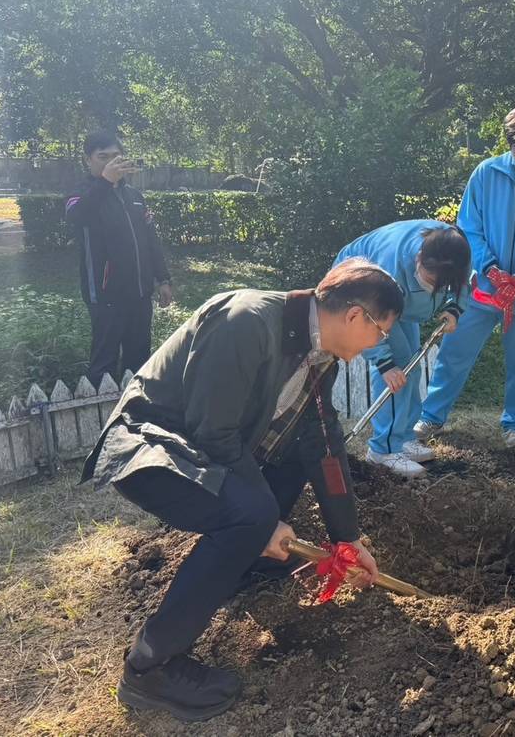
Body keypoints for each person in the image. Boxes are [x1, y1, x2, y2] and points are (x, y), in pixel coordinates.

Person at [80, 259, 403, 721]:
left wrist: (346, 538)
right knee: (250, 515)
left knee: (292, 458)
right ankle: (150, 666)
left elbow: (322, 441)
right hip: (151, 447)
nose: (378, 344)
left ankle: (247, 559)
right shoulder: (246, 322)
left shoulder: (318, 355)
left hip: (203, 449)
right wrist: (266, 522)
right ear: (356, 316)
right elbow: (212, 432)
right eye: (381, 332)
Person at [414, 104, 515, 449]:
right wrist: (488, 267)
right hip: (483, 287)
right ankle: (431, 416)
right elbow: (470, 227)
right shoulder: (486, 173)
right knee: (455, 350)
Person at [333, 220, 471, 478]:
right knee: (397, 371)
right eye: (430, 280)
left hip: (402, 303)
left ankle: (404, 437)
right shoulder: (388, 268)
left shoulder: (456, 251)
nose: (432, 288)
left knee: (411, 368)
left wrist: (454, 308)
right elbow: (369, 319)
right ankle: (383, 450)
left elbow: (463, 284)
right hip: (364, 291)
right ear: (419, 258)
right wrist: (384, 364)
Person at [65, 130, 173, 387]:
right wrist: (104, 182)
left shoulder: (135, 197)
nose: (112, 162)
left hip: (140, 294)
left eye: (116, 156)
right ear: (87, 160)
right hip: (105, 296)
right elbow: (76, 217)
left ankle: (134, 416)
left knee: (139, 362)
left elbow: (151, 241)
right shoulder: (80, 193)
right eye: (103, 157)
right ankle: (99, 417)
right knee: (103, 364)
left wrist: (163, 279)